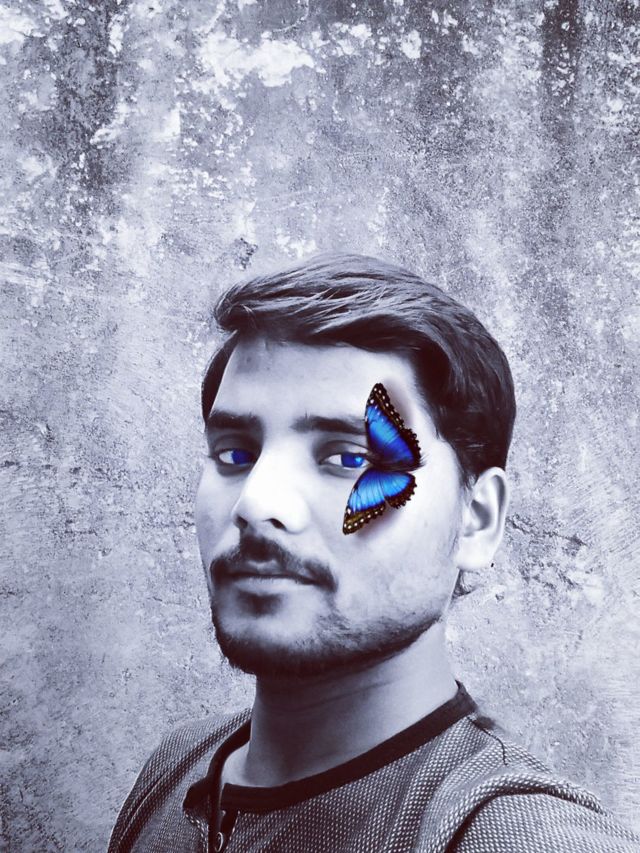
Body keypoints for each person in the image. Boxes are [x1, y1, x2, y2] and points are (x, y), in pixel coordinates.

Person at [108, 254, 639, 852]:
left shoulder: (517, 837)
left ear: (476, 518)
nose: (256, 503)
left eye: (349, 458)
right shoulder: (177, 766)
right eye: (236, 454)